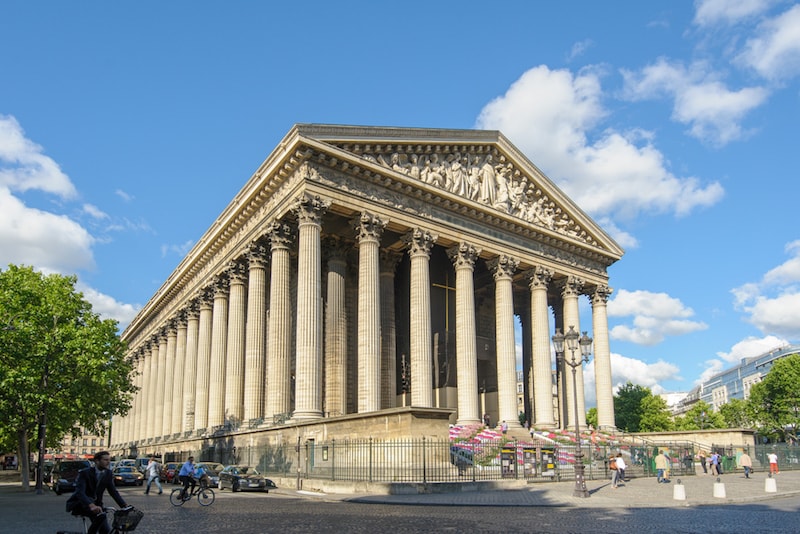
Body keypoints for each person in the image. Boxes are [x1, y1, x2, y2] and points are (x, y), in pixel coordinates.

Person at [65, 451, 129, 534]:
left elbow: (113, 491)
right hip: (80, 503)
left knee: (105, 530)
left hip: (97, 505)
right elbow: (80, 492)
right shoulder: (85, 473)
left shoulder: (108, 473)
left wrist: (124, 505)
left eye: (109, 460)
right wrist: (91, 505)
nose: (108, 462)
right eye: (105, 460)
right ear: (97, 461)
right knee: (100, 515)